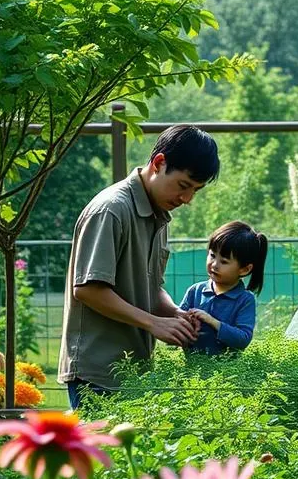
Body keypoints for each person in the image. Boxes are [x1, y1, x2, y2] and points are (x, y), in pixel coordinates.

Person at [58, 125, 220, 408]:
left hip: (134, 373)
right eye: (184, 185)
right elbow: (88, 289)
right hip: (98, 374)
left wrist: (174, 314)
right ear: (159, 163)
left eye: (196, 190)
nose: (187, 199)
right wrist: (153, 323)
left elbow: (150, 287)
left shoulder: (159, 214)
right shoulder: (111, 209)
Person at [180, 221, 268, 355]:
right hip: (191, 371)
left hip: (227, 373)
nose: (214, 265)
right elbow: (178, 321)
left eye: (224, 261)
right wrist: (186, 322)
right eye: (212, 255)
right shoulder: (195, 291)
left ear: (244, 269)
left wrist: (212, 322)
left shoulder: (245, 299)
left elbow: (243, 339)